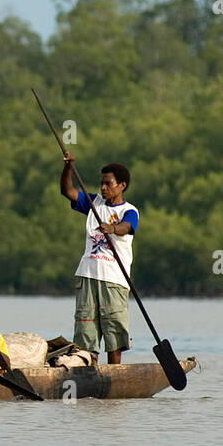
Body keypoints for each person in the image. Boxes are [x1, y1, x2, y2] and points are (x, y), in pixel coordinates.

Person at [59, 151, 139, 364]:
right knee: (86, 331)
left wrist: (112, 228)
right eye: (101, 183)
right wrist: (68, 167)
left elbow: (126, 227)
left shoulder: (129, 210)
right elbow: (67, 191)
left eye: (108, 183)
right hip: (87, 275)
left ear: (121, 185)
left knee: (113, 333)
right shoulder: (94, 203)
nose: (103, 187)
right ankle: (88, 374)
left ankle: (114, 376)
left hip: (113, 280)